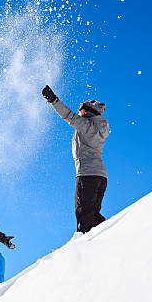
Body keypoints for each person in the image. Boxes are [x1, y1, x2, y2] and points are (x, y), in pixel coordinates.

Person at [42, 85, 109, 234]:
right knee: (92, 215)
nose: (79, 110)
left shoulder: (86, 126)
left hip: (87, 175)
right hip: (101, 177)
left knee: (84, 216)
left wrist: (53, 100)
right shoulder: (96, 129)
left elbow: (69, 116)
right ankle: (109, 237)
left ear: (88, 111)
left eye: (81, 107)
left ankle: (83, 250)